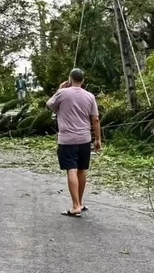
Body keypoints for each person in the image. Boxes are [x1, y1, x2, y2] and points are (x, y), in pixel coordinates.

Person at [46, 68, 101, 218]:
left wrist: (59, 90)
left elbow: (49, 105)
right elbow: (95, 119)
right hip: (84, 139)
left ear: (69, 79)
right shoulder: (90, 96)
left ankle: (75, 206)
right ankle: (80, 203)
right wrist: (98, 139)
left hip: (67, 139)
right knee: (82, 170)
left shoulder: (62, 93)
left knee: (71, 169)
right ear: (83, 81)